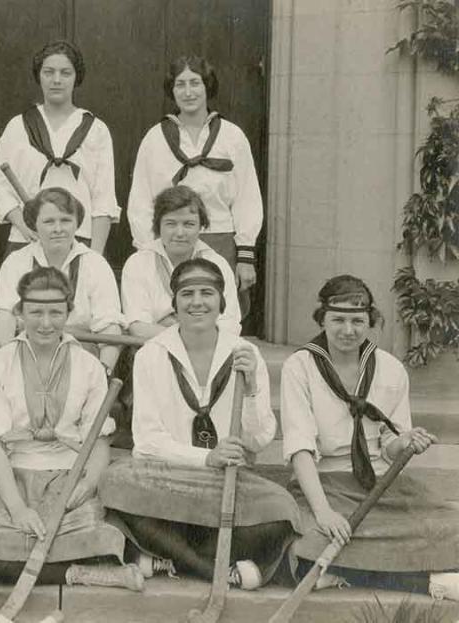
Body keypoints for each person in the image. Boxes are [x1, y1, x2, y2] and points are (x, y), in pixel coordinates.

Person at [100, 258, 299, 588]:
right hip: (169, 478)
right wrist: (206, 457)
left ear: (221, 302)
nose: (196, 302)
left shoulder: (244, 352)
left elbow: (260, 438)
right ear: (174, 303)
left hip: (227, 479)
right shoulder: (152, 353)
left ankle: (168, 557)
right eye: (186, 293)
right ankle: (215, 570)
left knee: (282, 511)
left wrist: (250, 389)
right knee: (114, 484)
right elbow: (147, 440)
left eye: (207, 293)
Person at [0, 267, 143, 591]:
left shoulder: (88, 366)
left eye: (56, 312)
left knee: (101, 543)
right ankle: (79, 576)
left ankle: (89, 566)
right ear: (19, 313)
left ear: (69, 312)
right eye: (36, 312)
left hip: (69, 475)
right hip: (12, 474)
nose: (46, 323)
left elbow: (99, 440)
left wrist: (86, 485)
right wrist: (17, 509)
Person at [281, 274, 459, 600]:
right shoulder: (300, 366)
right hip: (325, 483)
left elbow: (390, 447)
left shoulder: (390, 368)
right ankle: (428, 582)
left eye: (357, 321)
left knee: (451, 525)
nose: (348, 331)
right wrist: (323, 512)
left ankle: (338, 573)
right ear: (322, 319)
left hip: (379, 483)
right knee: (311, 539)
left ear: (370, 320)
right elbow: (300, 448)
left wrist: (404, 443)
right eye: (338, 320)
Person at [127, 54, 262, 316]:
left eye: (195, 83)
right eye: (180, 84)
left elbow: (248, 198)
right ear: (172, 90)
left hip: (219, 240)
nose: (188, 92)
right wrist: (149, 251)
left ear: (207, 86)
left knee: (217, 314)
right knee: (170, 313)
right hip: (170, 242)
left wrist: (245, 256)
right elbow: (141, 199)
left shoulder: (232, 137)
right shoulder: (155, 138)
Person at [0, 39, 119, 256]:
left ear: (76, 76)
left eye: (65, 73)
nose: (56, 80)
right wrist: (24, 226)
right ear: (38, 76)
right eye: (48, 72)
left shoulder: (96, 129)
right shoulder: (17, 126)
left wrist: (94, 256)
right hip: (27, 240)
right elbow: (1, 186)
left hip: (81, 241)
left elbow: (104, 198)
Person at [0, 187, 124, 375]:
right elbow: (4, 318)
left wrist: (103, 374)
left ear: (77, 223)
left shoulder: (96, 264)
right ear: (34, 225)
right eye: (49, 222)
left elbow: (109, 327)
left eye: (66, 220)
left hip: (81, 363)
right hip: (27, 360)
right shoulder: (16, 262)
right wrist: (8, 369)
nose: (58, 229)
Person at [122, 185, 240, 339]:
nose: (180, 233)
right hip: (154, 347)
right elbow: (138, 327)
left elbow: (229, 323)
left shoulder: (217, 264)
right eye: (171, 224)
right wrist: (187, 338)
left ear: (201, 227)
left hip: (207, 347)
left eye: (189, 224)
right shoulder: (139, 263)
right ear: (158, 226)